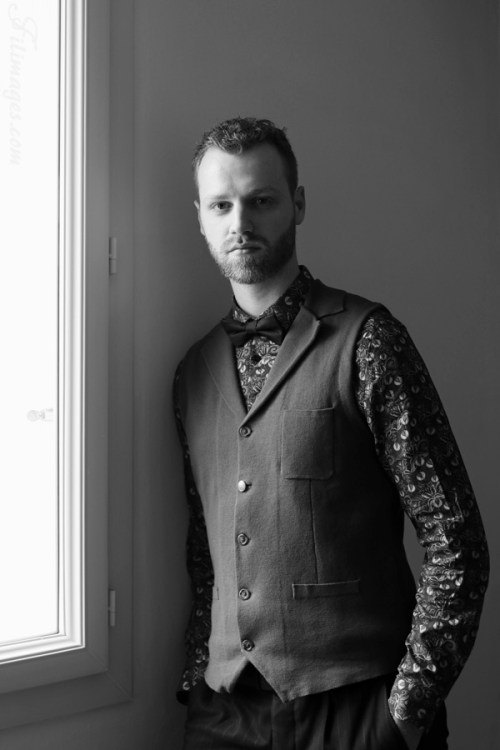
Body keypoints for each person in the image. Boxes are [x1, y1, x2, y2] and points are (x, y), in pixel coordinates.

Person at [173, 117, 489, 750]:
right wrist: (195, 679)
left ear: (298, 204)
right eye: (221, 205)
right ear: (201, 218)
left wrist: (405, 712)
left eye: (262, 200)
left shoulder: (370, 341)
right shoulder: (191, 374)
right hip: (226, 713)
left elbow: (456, 541)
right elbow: (207, 553)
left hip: (358, 708)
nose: (241, 222)